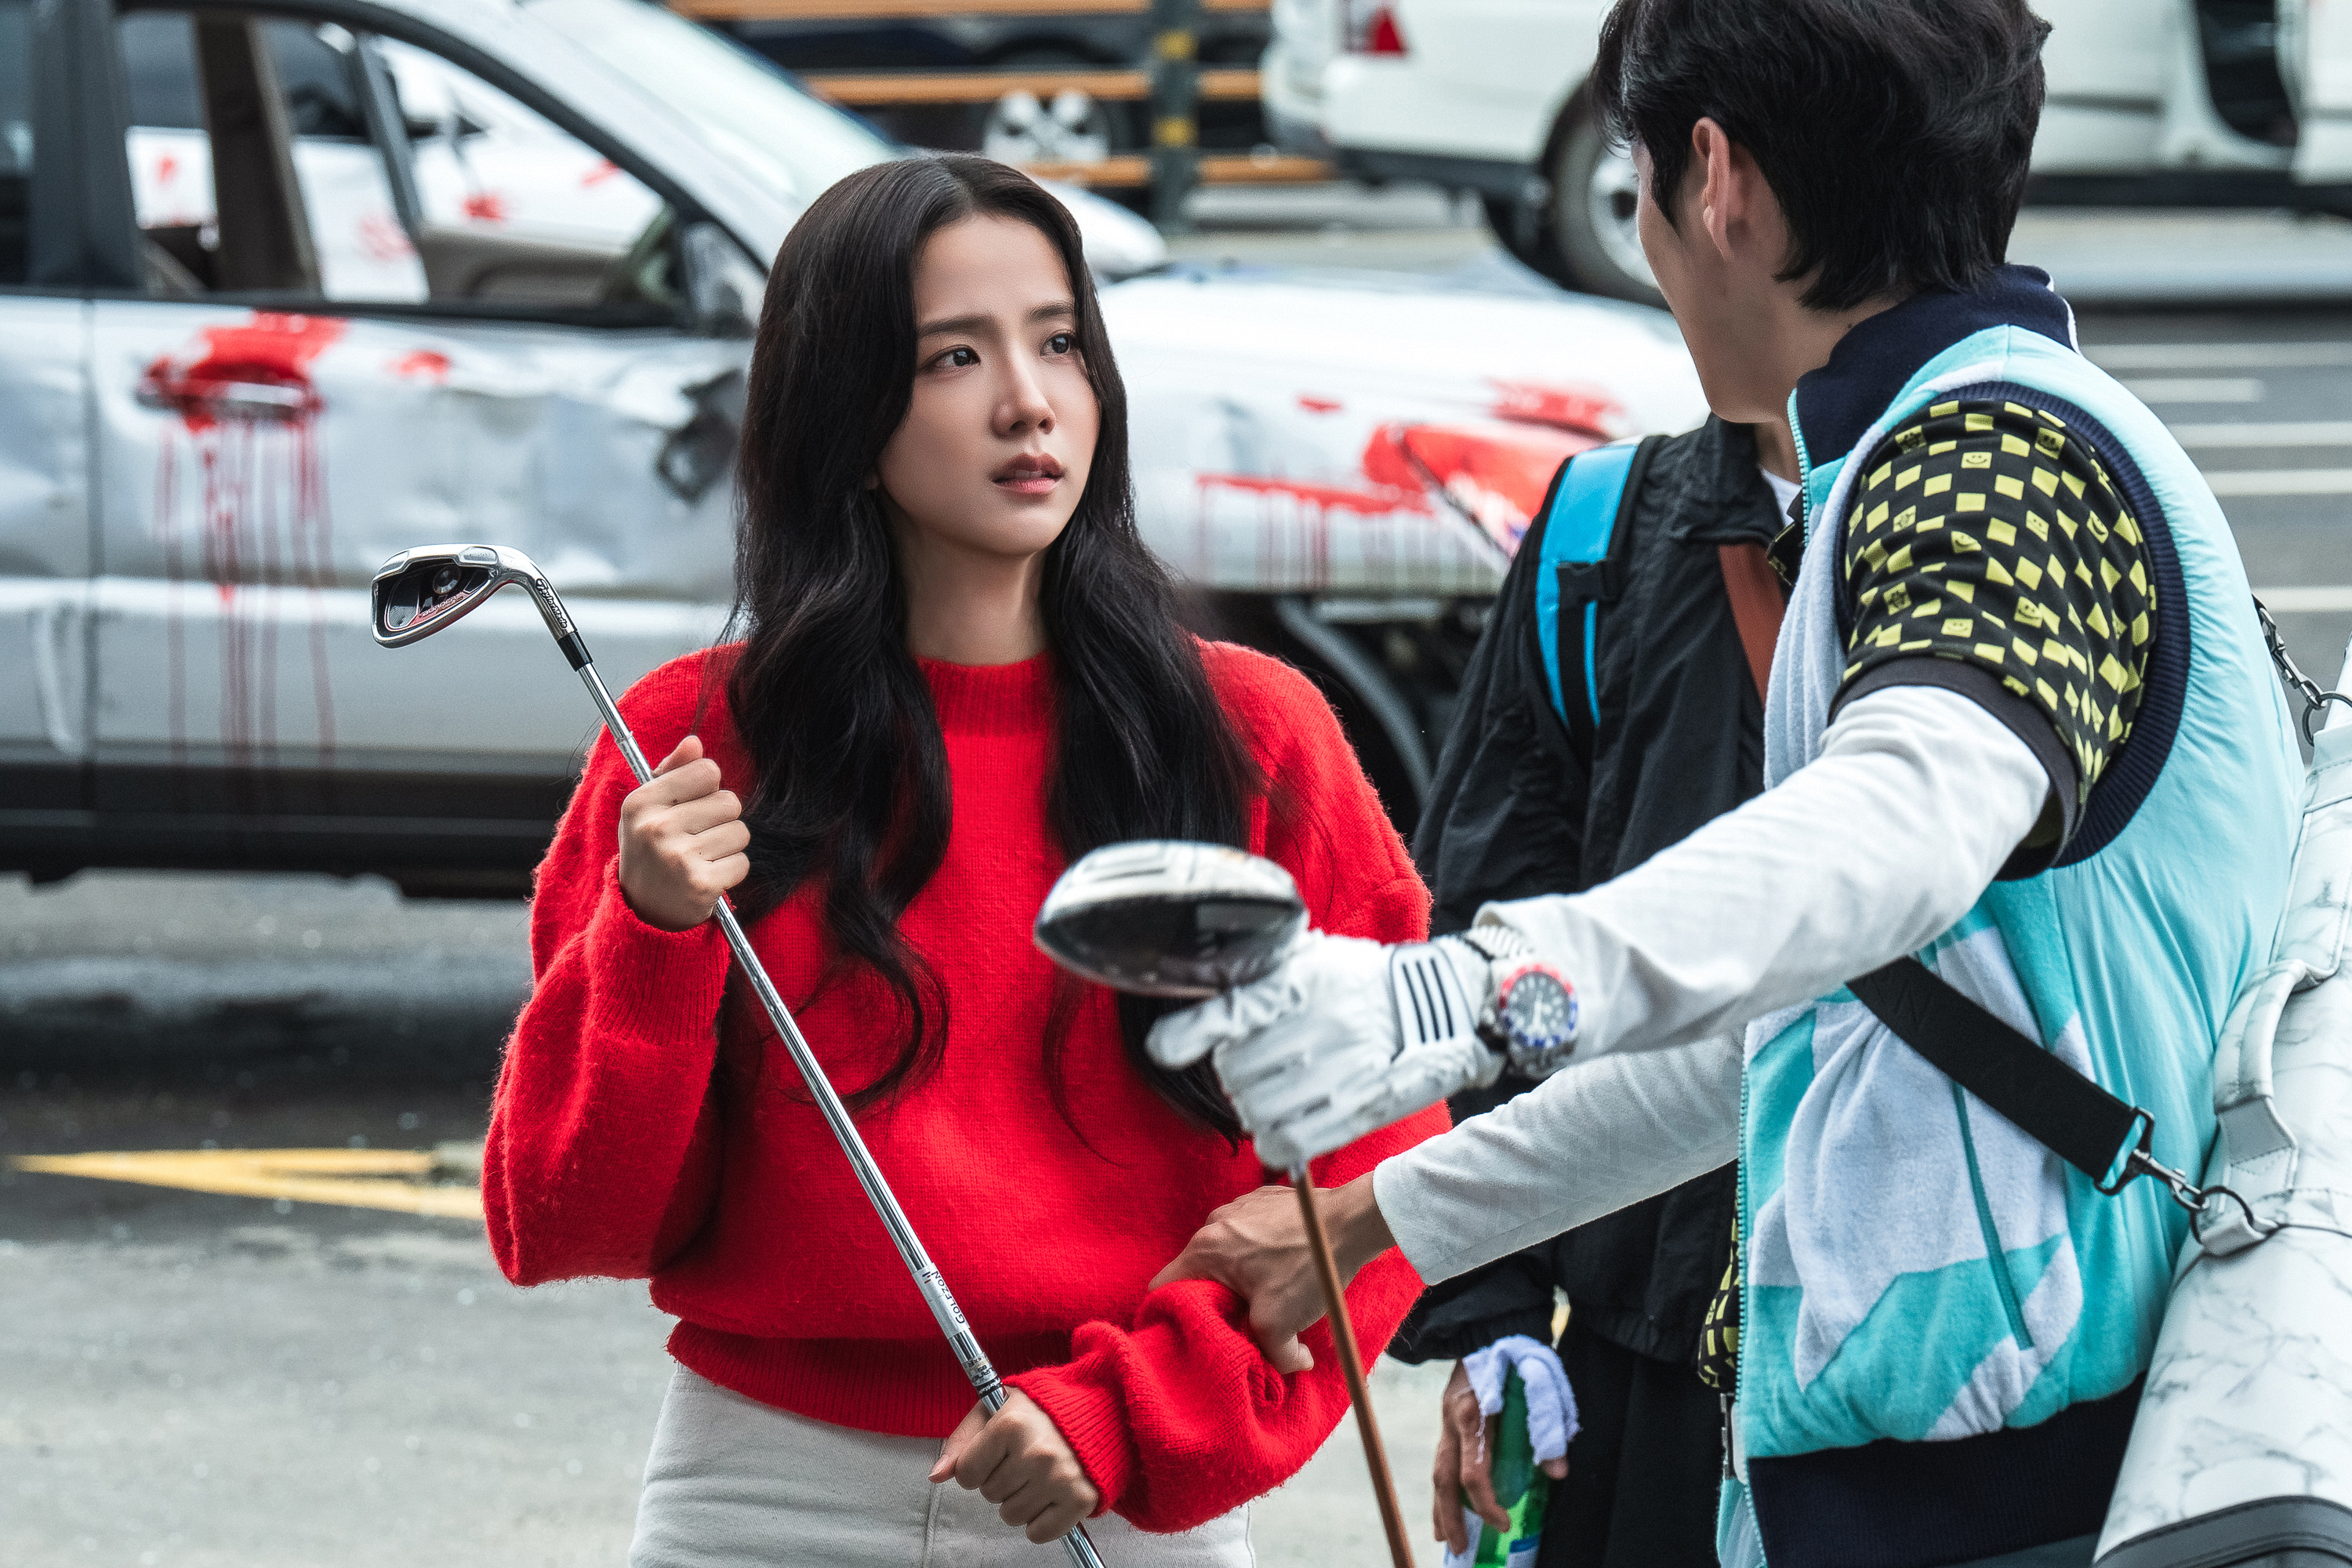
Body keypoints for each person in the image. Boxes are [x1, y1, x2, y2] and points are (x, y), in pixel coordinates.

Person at [1142, 4, 2306, 1567]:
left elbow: (1903, 822)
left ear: (1717, 177)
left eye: (1638, 177)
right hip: (1969, 1471)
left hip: (2021, 1495)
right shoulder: (1939, 440)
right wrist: (1383, 1219)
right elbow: (1819, 1028)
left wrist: (1470, 994)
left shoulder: (1995, 458)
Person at [480, 154, 1446, 1567]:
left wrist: (1133, 1417)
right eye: (954, 355)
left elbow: (1381, 1170)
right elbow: (563, 1218)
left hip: (1121, 1493)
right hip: (762, 1496)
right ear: (847, 406)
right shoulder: (692, 741)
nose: (1028, 400)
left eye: (1061, 342)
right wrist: (650, 932)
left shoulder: (1251, 735)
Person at [1396, 412, 1798, 1568]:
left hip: (1931, 1382)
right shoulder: (1605, 532)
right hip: (1637, 1379)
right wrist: (1495, 1322)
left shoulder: (2003, 503)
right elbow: (1489, 952)